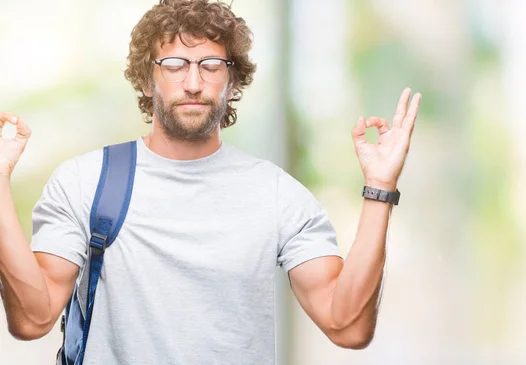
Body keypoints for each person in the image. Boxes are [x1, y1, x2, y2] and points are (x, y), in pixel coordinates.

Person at [0, 0, 421, 363]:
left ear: (232, 80)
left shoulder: (277, 194)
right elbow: (32, 318)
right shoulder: (85, 181)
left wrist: (380, 187)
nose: (194, 83)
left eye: (211, 65)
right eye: (175, 64)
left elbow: (347, 326)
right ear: (148, 78)